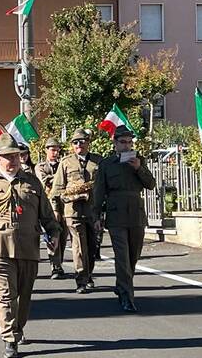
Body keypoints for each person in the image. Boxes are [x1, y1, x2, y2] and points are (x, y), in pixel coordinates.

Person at [0, 133, 61, 358]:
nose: (14, 160)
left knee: (24, 295)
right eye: (8, 156)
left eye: (16, 156)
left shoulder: (32, 182)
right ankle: (9, 338)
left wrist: (54, 233)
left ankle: (18, 327)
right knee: (5, 295)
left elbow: (46, 215)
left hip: (28, 247)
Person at [93, 125, 155, 312]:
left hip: (136, 214)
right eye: (123, 142)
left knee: (133, 256)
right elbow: (98, 192)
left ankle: (122, 286)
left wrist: (138, 169)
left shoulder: (138, 161)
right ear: (115, 143)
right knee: (122, 257)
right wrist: (96, 216)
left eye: (129, 142)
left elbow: (150, 184)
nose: (127, 146)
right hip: (116, 214)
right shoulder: (106, 164)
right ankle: (128, 296)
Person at [50, 128, 103, 294]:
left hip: (93, 211)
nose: (79, 144)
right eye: (75, 142)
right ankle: (81, 280)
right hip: (72, 211)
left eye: (82, 141)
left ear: (88, 143)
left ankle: (88, 274)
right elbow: (56, 190)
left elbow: (104, 186)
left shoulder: (98, 161)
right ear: (72, 145)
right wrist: (57, 209)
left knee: (93, 247)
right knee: (79, 246)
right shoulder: (65, 162)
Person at [36, 137, 65, 279]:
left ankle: (59, 261)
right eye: (52, 149)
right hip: (48, 205)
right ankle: (55, 266)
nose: (55, 152)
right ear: (46, 150)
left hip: (64, 203)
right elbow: (44, 181)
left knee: (63, 237)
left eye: (57, 149)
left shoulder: (62, 164)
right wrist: (59, 178)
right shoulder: (41, 166)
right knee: (52, 234)